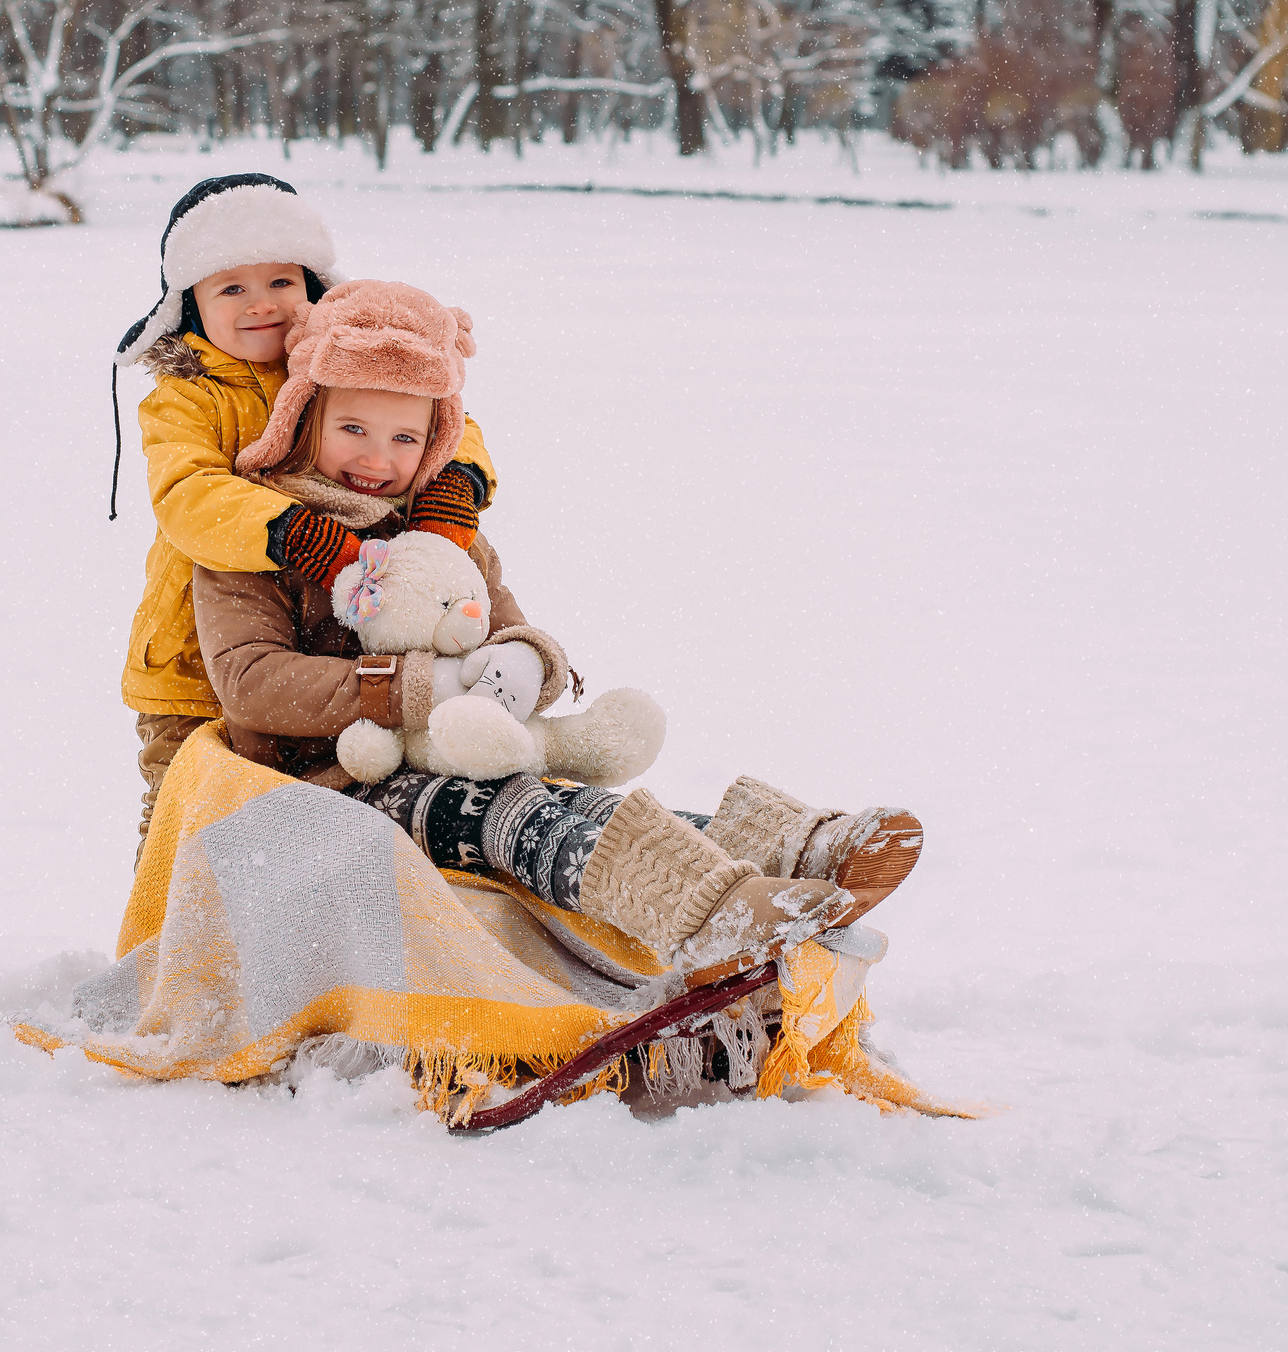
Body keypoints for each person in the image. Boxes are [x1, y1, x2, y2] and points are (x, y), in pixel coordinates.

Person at [187, 278, 922, 982]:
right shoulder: (260, 535)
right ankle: (709, 914)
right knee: (502, 810)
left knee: (563, 791)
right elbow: (251, 683)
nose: (378, 459)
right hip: (322, 785)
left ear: (436, 439)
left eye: (404, 437)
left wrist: (524, 662)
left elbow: (500, 617)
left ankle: (795, 850)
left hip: (447, 749)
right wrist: (413, 688)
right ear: (304, 418)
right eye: (352, 428)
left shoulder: (443, 530)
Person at [112, 175, 499, 848]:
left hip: (312, 639)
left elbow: (430, 407)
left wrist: (456, 480)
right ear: (191, 303)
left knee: (290, 833)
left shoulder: (329, 363)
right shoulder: (186, 397)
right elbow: (189, 495)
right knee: (187, 826)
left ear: (313, 285)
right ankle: (163, 949)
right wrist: (296, 533)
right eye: (231, 287)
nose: (261, 304)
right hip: (191, 668)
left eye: (280, 282)